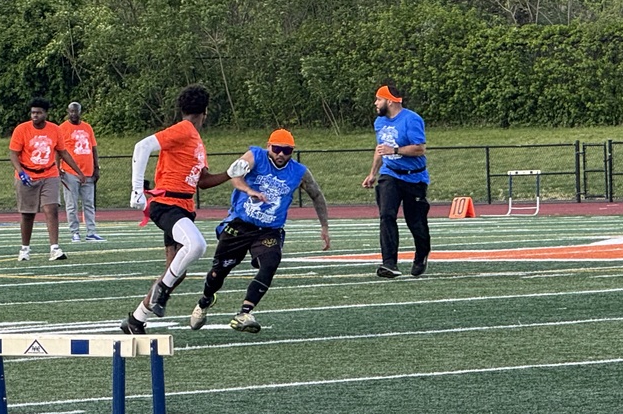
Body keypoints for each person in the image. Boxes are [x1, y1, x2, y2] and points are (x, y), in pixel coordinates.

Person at [189, 129, 331, 334]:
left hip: (269, 230)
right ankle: (205, 301)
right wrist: (249, 190)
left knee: (270, 263)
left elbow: (317, 195)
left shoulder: (299, 172)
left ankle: (245, 312)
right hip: (240, 224)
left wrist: (324, 226)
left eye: (287, 150)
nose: (281, 154)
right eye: (277, 149)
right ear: (268, 146)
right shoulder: (255, 156)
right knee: (218, 273)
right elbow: (235, 174)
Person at [122, 84, 237, 335]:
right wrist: (136, 190)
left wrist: (230, 173)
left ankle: (135, 320)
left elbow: (202, 182)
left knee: (176, 272)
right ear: (205, 112)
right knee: (197, 245)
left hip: (183, 206)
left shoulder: (195, 139)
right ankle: (161, 292)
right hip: (167, 204)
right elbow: (142, 147)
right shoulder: (184, 129)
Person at [361, 84, 430, 278]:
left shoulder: (412, 119)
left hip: (414, 176)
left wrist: (395, 150)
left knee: (415, 222)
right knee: (387, 215)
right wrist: (372, 173)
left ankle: (421, 254)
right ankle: (389, 263)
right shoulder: (379, 122)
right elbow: (380, 149)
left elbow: (420, 149)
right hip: (390, 173)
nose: (375, 103)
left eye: (378, 99)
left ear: (389, 101)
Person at [8, 97, 86, 262]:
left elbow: (63, 152)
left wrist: (78, 172)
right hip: (27, 174)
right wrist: (21, 172)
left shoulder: (55, 129)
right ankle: (25, 249)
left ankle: (54, 248)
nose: (35, 116)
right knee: (27, 214)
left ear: (45, 114)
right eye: (33, 113)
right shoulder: (21, 129)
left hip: (49, 173)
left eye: (38, 113)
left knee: (52, 209)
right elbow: (13, 154)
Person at [57, 101, 103, 242]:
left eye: (76, 111)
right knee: (72, 204)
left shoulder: (87, 127)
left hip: (88, 171)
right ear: (68, 112)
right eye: (71, 111)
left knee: (89, 203)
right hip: (70, 172)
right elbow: (58, 150)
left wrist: (96, 167)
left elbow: (93, 148)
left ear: (80, 112)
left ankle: (91, 232)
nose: (74, 114)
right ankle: (75, 232)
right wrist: (58, 167)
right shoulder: (62, 128)